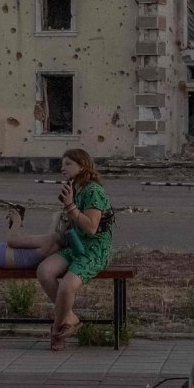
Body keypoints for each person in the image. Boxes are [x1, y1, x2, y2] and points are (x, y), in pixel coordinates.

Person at [34, 148, 114, 351]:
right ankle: (71, 319)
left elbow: (91, 227)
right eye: (62, 164)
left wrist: (70, 207)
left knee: (67, 286)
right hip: (74, 246)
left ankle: (57, 329)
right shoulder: (75, 188)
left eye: (68, 163)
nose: (63, 168)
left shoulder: (93, 191)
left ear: (83, 166)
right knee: (44, 271)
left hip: (93, 249)